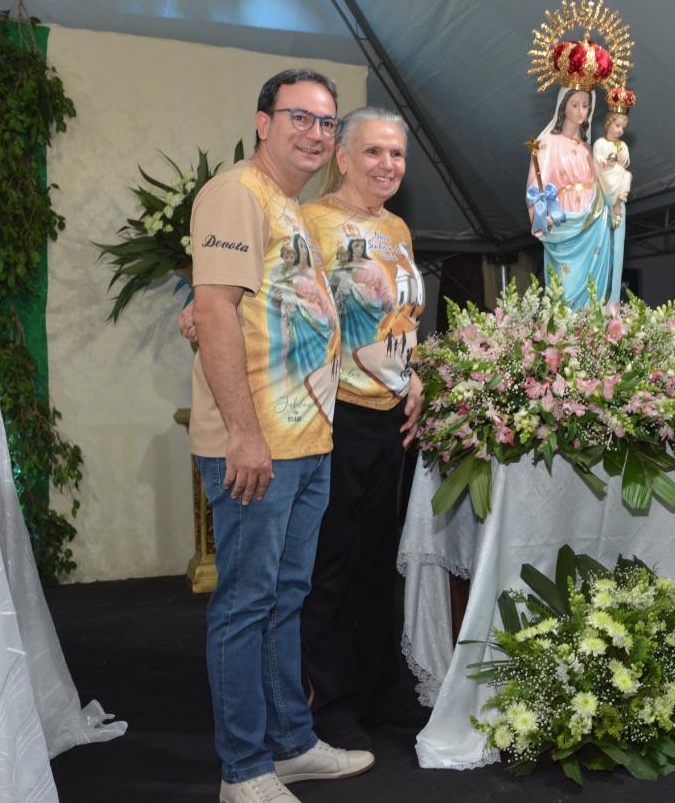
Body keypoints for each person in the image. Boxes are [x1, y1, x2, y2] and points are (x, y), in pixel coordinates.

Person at [188, 69, 373, 803]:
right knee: (244, 604)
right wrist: (242, 433)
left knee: (284, 596)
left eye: (327, 124)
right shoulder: (238, 190)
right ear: (263, 122)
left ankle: (290, 744)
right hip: (256, 446)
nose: (315, 133)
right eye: (300, 117)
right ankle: (243, 770)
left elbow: (250, 306)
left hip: (305, 445)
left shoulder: (288, 206)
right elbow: (214, 308)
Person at [298, 107, 426, 749]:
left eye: (397, 154)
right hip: (335, 414)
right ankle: (330, 698)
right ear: (341, 157)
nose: (387, 165)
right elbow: (297, 311)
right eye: (373, 152)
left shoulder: (398, 226)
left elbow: (400, 318)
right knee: (333, 559)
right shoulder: (312, 223)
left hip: (393, 418)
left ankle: (380, 688)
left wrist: (417, 380)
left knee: (382, 559)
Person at [527, 85, 624, 310]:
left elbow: (602, 185)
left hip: (595, 222)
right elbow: (536, 186)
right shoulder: (548, 144)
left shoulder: (588, 149)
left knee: (594, 292)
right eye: (575, 105)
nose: (581, 111)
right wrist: (543, 215)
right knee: (565, 290)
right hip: (565, 223)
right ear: (563, 106)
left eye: (586, 105)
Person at [593, 87, 636, 229]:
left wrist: (622, 159)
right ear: (608, 124)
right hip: (605, 175)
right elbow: (597, 162)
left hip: (618, 173)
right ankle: (612, 200)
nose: (620, 130)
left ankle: (620, 197)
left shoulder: (621, 144)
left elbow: (626, 162)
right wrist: (608, 161)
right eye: (617, 125)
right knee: (617, 174)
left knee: (627, 175)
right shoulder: (600, 143)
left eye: (623, 128)